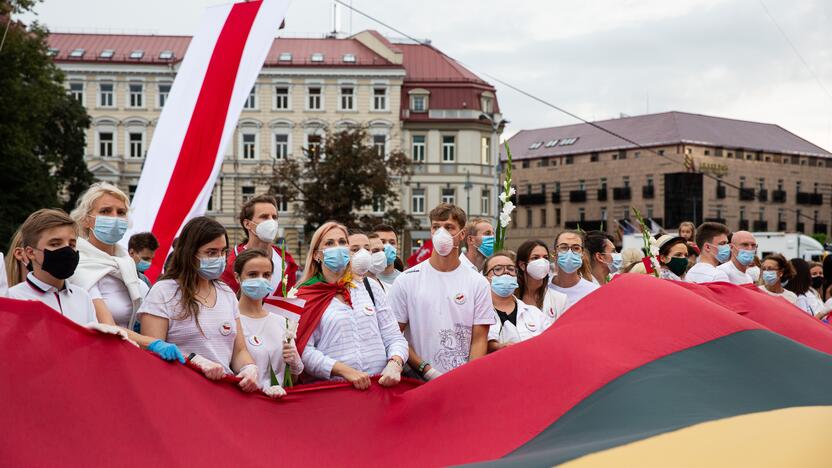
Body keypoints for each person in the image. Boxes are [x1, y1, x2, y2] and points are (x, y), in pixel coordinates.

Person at [139, 217, 259, 392]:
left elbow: (239, 351)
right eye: (211, 252)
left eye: (223, 252)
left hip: (223, 395)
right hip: (182, 393)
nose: (219, 258)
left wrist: (248, 368)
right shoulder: (164, 291)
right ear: (190, 253)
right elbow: (151, 352)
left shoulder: (226, 293)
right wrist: (194, 361)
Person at [8, 209, 159, 348]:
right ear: (30, 252)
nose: (66, 249)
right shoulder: (12, 299)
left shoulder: (82, 296)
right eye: (55, 244)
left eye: (72, 244)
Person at [295, 222, 408, 389]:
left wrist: (395, 362)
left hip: (378, 386)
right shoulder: (305, 295)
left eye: (342, 242)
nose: (338, 247)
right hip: (336, 391)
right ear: (317, 255)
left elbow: (393, 337)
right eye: (329, 243)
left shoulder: (369, 286)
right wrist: (343, 370)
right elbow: (304, 351)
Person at [390, 203, 494, 381]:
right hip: (417, 380)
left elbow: (479, 339)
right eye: (436, 227)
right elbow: (393, 334)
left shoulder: (478, 283)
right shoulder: (406, 280)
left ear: (462, 234)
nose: (441, 233)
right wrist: (426, 369)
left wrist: (467, 376)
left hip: (461, 382)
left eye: (448, 227)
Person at [234, 249, 303, 398]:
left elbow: (292, 380)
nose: (260, 280)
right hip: (246, 403)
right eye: (252, 275)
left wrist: (294, 364)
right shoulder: (231, 321)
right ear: (237, 277)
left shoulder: (281, 321)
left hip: (278, 405)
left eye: (266, 275)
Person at [220, 194, 298, 297]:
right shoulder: (230, 263)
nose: (271, 222)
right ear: (247, 224)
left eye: (274, 217)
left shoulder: (286, 261)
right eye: (264, 217)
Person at [485, 251, 549, 352]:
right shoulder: (477, 314)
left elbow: (549, 345)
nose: (506, 272)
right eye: (498, 269)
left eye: (511, 269)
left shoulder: (535, 314)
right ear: (486, 279)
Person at [515, 239, 567, 324]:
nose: (542, 261)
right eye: (535, 258)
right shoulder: (512, 297)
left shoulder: (560, 299)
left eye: (545, 258)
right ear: (522, 265)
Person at [549, 230, 599, 309]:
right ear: (555, 253)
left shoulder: (594, 292)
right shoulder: (544, 289)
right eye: (564, 247)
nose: (569, 252)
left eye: (576, 248)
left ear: (582, 254)